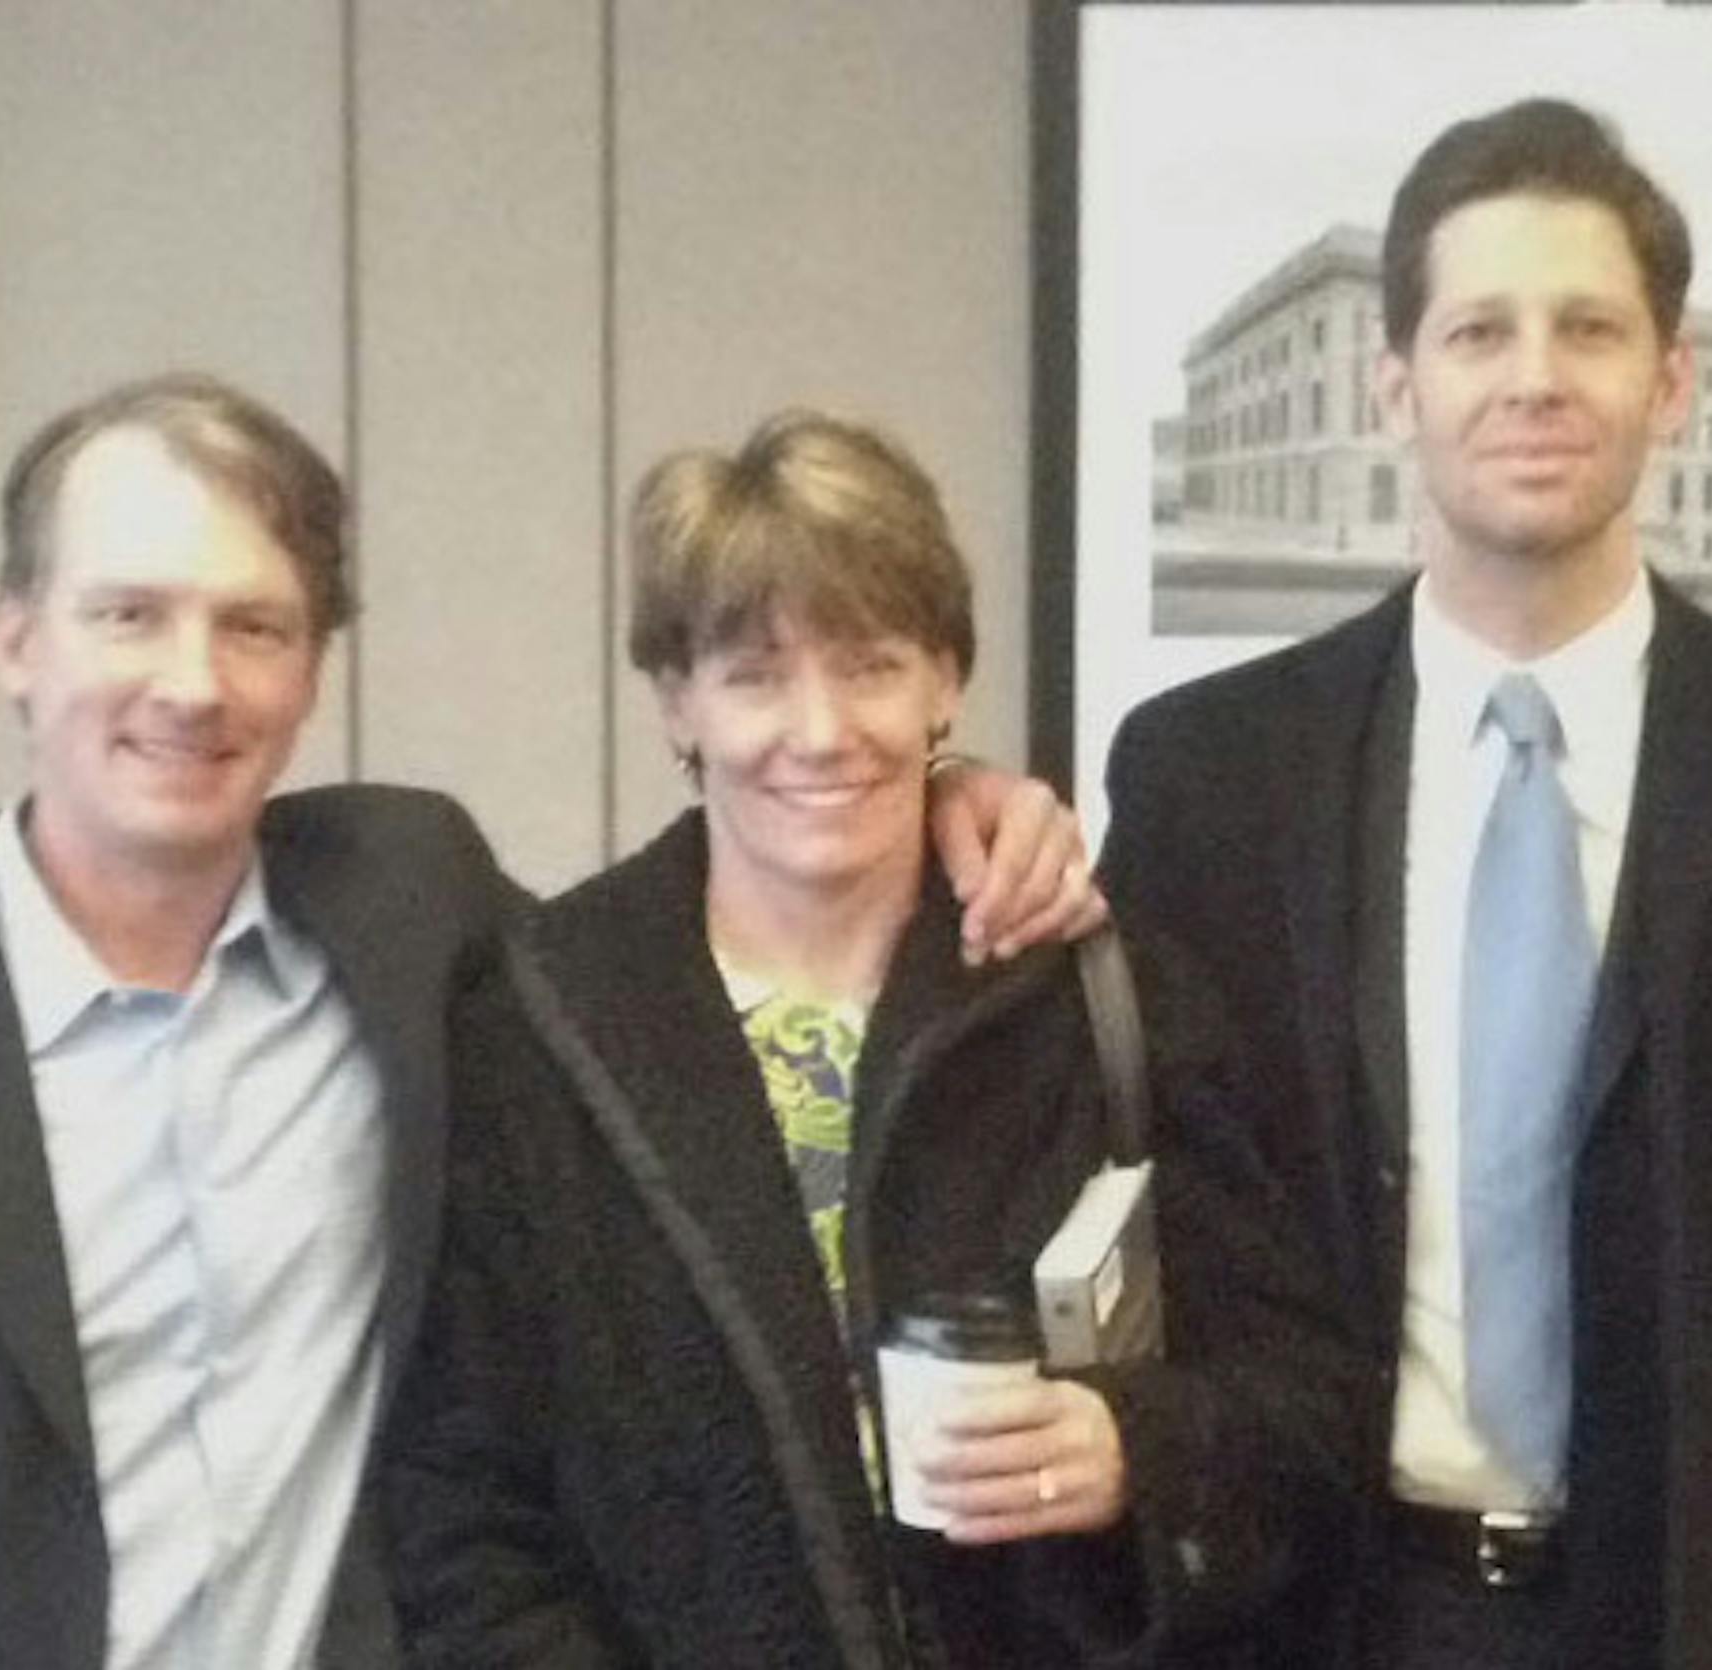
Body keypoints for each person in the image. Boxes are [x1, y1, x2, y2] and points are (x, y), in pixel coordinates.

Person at [0, 373, 1099, 1670]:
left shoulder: (407, 899)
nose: (193, 684)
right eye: (128, 613)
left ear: (311, 668)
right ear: (15, 634)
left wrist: (947, 792)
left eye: (255, 626)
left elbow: (716, 918)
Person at [1100, 97, 1712, 1669]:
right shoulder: (1204, 780)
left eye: (1592, 328)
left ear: (1671, 380)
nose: (1537, 376)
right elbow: (1118, 1198)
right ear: (1397, 382)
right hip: (1321, 1616)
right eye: (1480, 329)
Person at [383, 410, 1360, 1667]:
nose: (823, 729)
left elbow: (1313, 1396)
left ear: (947, 676)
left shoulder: (1100, 995)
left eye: (870, 663)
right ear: (677, 701)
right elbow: (462, 1508)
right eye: (755, 675)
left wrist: (1139, 1449)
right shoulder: (545, 1027)